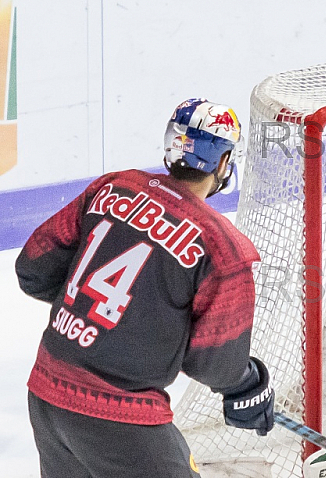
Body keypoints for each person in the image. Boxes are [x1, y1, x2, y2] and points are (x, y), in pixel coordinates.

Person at [15, 99, 274, 478]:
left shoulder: (112, 187)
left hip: (47, 395)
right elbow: (215, 363)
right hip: (122, 420)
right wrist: (247, 384)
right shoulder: (222, 248)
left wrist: (98, 319)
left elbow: (33, 268)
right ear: (222, 163)